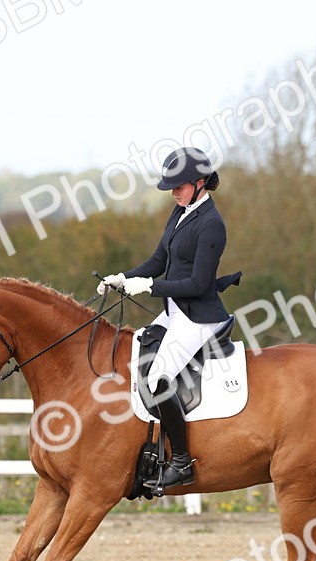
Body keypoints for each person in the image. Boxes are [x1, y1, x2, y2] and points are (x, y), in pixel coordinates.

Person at [97, 147, 239, 491]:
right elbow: (158, 260)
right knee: (137, 353)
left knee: (159, 377)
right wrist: (124, 277)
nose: (173, 192)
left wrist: (150, 287)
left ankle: (181, 463)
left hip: (198, 317)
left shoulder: (211, 224)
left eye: (179, 186)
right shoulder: (180, 212)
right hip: (175, 312)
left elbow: (198, 284)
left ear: (200, 183)